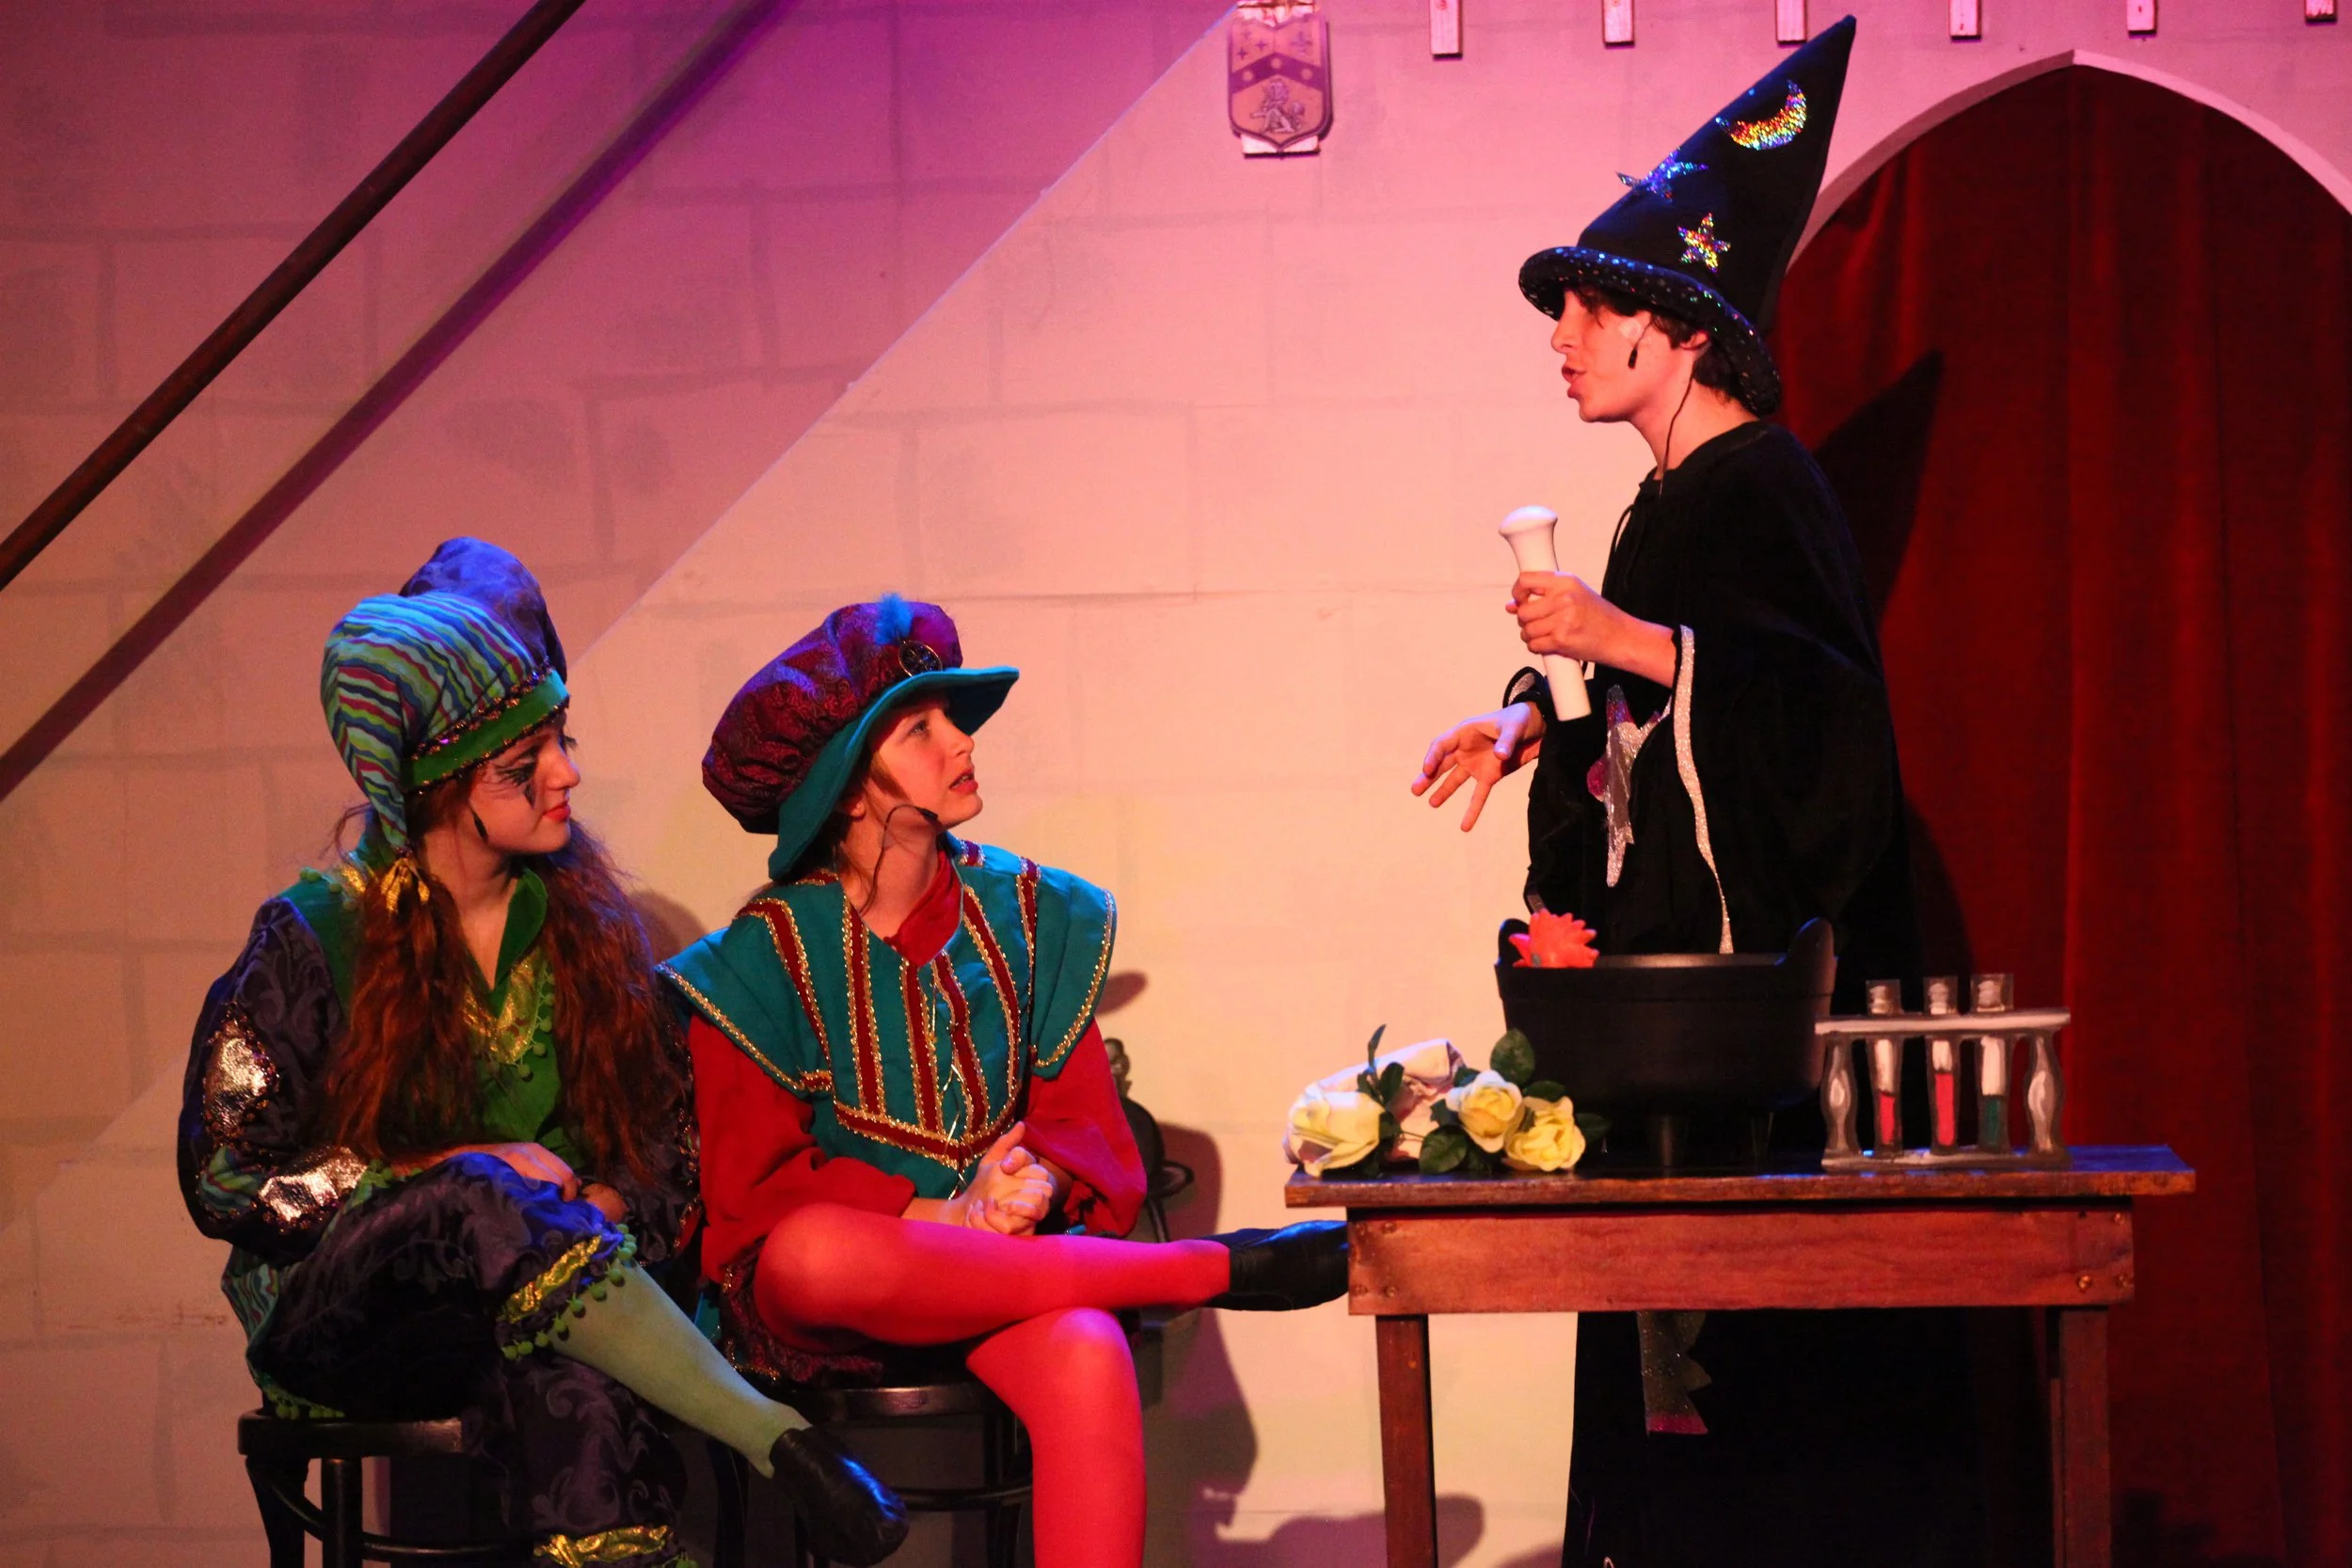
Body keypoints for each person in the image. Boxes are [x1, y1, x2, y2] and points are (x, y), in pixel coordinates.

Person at [1410, 20, 1986, 1568]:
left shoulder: (1763, 482)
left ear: (1676, 333)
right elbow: (1648, 710)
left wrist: (1626, 637)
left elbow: (1816, 712)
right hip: (1665, 1007)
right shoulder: (1667, 498)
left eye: (1591, 312)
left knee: (1761, 1367)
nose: (1563, 339)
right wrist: (1529, 719)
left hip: (1755, 1009)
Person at [178, 540, 908, 1568]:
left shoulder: (588, 932)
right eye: (528, 762)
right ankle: (777, 1441)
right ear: (440, 785)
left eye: (561, 738)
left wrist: (584, 1217)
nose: (568, 772)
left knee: (577, 1377)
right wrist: (429, 1176)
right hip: (355, 1326)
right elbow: (223, 1176)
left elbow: (661, 1147)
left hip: (543, 1304)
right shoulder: (310, 937)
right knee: (482, 1191)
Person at [663, 595, 1347, 1568]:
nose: (961, 743)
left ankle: (1182, 1274)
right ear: (848, 790)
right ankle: (1207, 1269)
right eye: (919, 728)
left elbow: (1079, 1123)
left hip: (1007, 1277)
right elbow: (751, 1197)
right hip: (836, 1302)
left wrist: (1029, 1185)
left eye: (954, 719)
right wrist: (937, 1216)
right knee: (810, 1251)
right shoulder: (759, 958)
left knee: (1086, 1350)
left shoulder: (1032, 912)